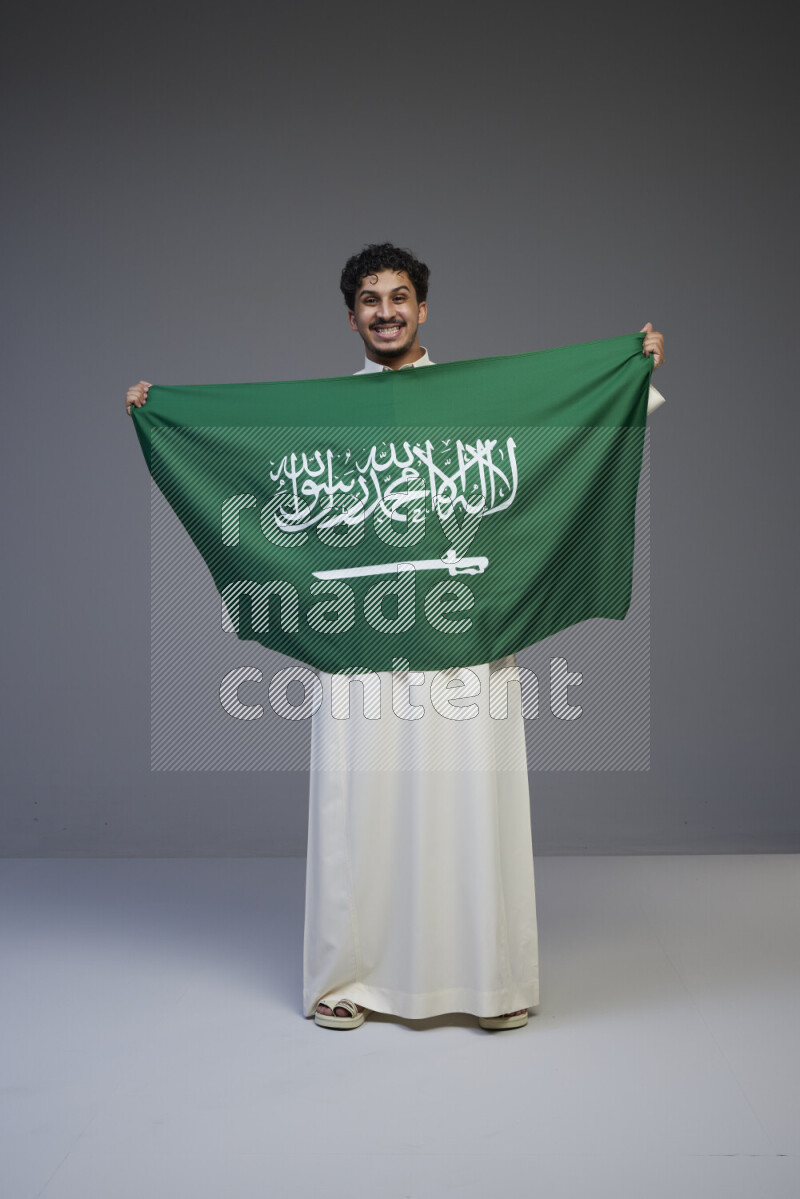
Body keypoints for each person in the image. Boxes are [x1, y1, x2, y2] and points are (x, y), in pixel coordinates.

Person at [125, 243, 666, 1032]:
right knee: (360, 812)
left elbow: (568, 422)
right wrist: (163, 412)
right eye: (370, 300)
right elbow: (240, 457)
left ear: (423, 308)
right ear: (352, 317)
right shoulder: (325, 420)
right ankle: (346, 978)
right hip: (361, 639)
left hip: (465, 635)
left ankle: (492, 981)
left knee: (472, 804)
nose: (386, 311)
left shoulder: (478, 401)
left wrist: (633, 374)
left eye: (400, 296)